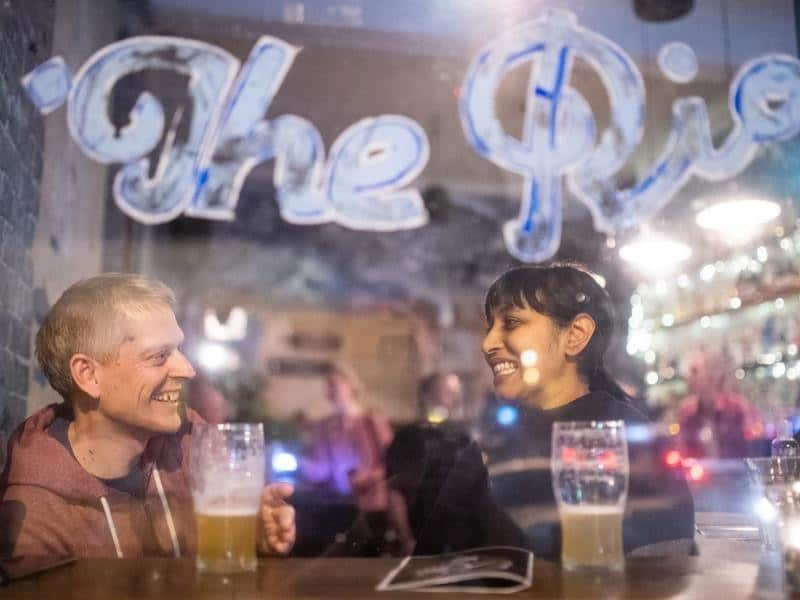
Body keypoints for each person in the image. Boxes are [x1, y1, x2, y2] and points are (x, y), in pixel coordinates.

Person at [387, 263, 695, 559]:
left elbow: (665, 562)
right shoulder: (492, 447)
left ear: (575, 335)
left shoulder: (628, 436)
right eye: (489, 326)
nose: (488, 343)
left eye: (511, 323)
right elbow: (433, 560)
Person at [0, 273, 295, 559]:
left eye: (178, 349)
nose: (188, 369)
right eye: (159, 356)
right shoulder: (35, 520)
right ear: (88, 375)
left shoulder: (191, 443)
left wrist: (252, 538)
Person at [298, 362, 393, 554]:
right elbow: (321, 469)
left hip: (370, 507)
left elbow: (392, 464)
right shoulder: (324, 426)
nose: (330, 391)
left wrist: (366, 477)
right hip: (338, 507)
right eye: (327, 386)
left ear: (351, 385)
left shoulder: (371, 421)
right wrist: (303, 468)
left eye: (334, 384)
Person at [677, 347, 758, 459]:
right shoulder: (686, 410)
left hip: (735, 473)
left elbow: (753, 448)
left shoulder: (737, 406)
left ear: (713, 373)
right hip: (701, 474)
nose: (689, 377)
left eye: (695, 371)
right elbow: (683, 450)